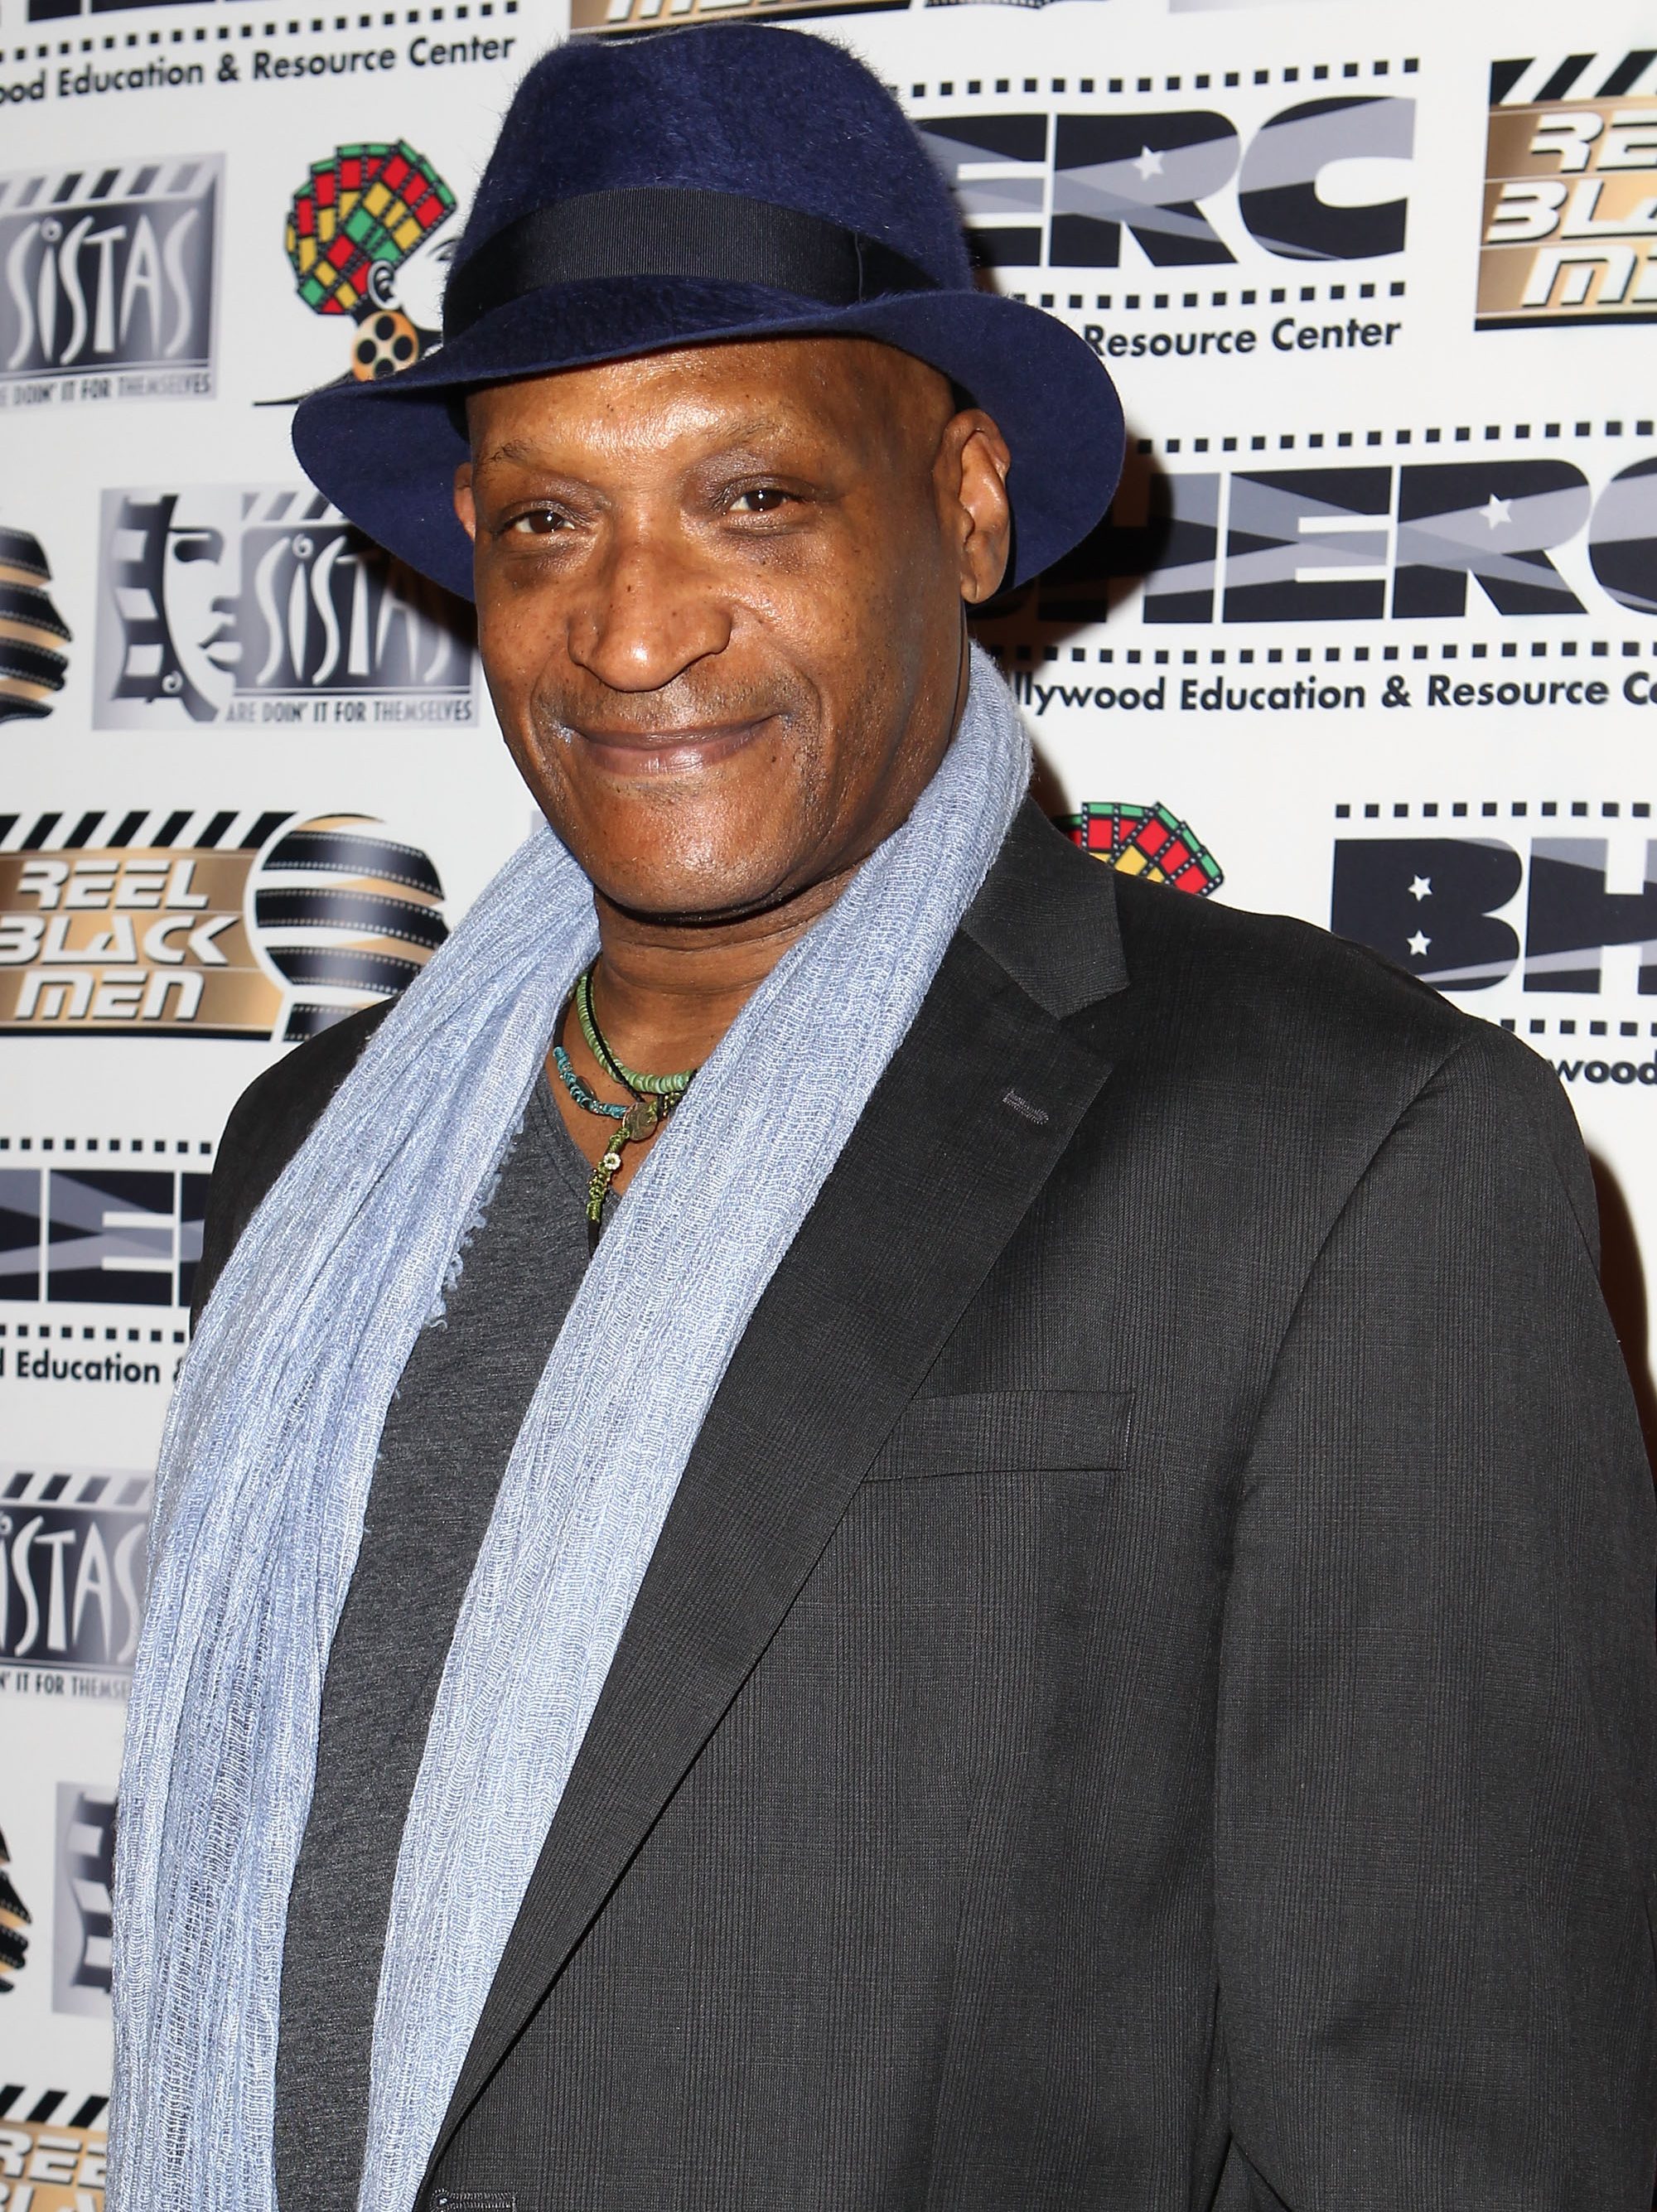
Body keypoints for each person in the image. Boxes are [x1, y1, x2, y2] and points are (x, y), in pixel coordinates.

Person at [109, 25, 1657, 2212]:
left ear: (965, 502)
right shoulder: (314, 1158)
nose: (634, 629)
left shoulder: (1350, 1158)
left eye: (754, 497)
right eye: (553, 517)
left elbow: (1464, 2138)